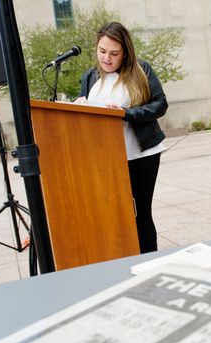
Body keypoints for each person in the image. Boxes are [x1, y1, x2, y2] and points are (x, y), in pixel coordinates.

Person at [75, 21, 168, 254]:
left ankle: (149, 261)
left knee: (140, 213)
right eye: (102, 51)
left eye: (114, 53)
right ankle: (123, 258)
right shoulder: (89, 77)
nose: (107, 58)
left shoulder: (141, 70)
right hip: (105, 159)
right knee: (113, 214)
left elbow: (160, 104)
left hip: (140, 154)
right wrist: (79, 107)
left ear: (125, 53)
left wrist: (126, 114)